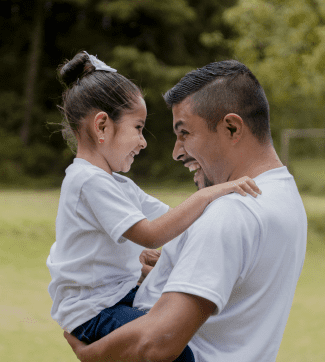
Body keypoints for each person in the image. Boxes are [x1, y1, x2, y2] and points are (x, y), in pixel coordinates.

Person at [64, 59, 307, 362]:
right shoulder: (284, 196)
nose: (176, 151)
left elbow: (156, 344)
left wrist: (91, 354)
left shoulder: (229, 213)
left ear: (231, 127)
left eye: (185, 133)